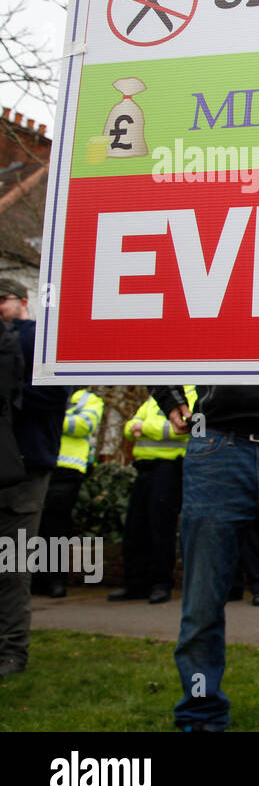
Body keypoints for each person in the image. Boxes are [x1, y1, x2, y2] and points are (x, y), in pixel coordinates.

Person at [153, 384, 259, 731]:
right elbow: (151, 338)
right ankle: (201, 714)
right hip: (217, 442)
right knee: (203, 604)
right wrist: (170, 398)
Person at [0, 279, 70, 677]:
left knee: (11, 562)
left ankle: (12, 651)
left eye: (2, 300)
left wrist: (13, 394)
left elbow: (56, 393)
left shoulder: (40, 341)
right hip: (26, 458)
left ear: (23, 302)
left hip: (27, 464)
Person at [110, 387, 195, 604]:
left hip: (170, 467)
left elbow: (189, 428)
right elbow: (129, 427)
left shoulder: (193, 394)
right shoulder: (157, 393)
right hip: (144, 468)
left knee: (161, 528)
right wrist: (148, 427)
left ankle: (161, 584)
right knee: (135, 527)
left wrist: (145, 427)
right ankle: (134, 583)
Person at [32, 388, 103, 598]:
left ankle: (56, 580)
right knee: (37, 526)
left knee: (57, 527)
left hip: (68, 471)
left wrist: (50, 416)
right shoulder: (46, 394)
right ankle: (35, 579)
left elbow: (84, 425)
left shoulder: (89, 399)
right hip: (42, 464)